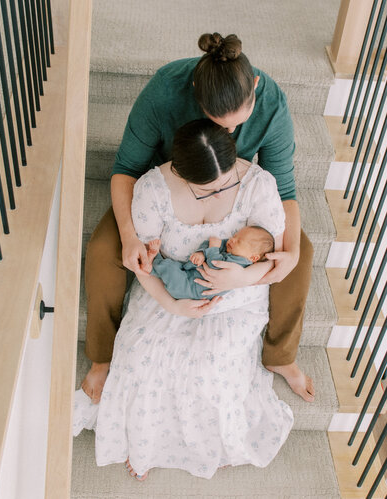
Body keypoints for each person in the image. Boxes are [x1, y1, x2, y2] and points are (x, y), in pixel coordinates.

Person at [82, 32, 315, 404]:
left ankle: (280, 356)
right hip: (167, 185)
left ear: (254, 87)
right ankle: (102, 357)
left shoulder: (273, 105)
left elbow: (284, 186)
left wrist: (290, 253)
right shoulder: (163, 92)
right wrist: (128, 234)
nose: (230, 132)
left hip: (234, 189)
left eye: (240, 122)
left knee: (299, 253)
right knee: (104, 251)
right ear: (196, 94)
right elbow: (125, 167)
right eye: (218, 121)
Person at [73, 119, 294, 481]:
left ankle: (213, 442)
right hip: (167, 289)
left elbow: (272, 258)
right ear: (181, 172)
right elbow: (143, 264)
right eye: (207, 188)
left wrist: (239, 277)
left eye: (226, 181)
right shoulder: (152, 190)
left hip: (235, 297)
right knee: (143, 363)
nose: (220, 192)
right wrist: (171, 304)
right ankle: (146, 443)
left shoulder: (257, 185)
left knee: (210, 371)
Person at [145, 225, 275, 300]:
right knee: (172, 266)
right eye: (235, 235)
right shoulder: (231, 249)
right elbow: (212, 245)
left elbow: (215, 267)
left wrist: (213, 247)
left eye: (239, 241)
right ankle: (153, 261)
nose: (232, 239)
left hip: (189, 289)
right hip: (190, 275)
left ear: (253, 258)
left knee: (170, 269)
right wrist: (201, 253)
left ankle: (150, 264)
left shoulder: (240, 264)